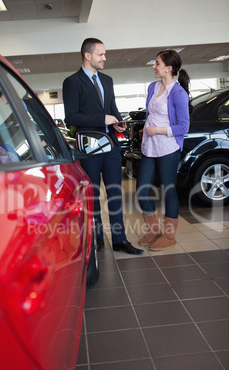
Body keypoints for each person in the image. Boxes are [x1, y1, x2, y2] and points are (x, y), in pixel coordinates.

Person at [62, 38, 143, 254]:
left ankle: (119, 240)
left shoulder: (107, 80)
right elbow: (70, 117)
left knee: (116, 193)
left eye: (105, 54)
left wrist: (118, 122)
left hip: (111, 147)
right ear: (87, 56)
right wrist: (102, 119)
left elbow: (113, 109)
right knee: (93, 194)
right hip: (89, 148)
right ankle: (96, 239)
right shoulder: (72, 82)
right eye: (101, 54)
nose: (104, 58)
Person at [136, 49, 192, 251]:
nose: (154, 66)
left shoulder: (178, 93)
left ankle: (169, 236)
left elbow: (183, 127)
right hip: (149, 146)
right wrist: (146, 128)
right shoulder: (152, 87)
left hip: (168, 147)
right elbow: (153, 114)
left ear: (168, 68)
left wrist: (157, 130)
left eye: (157, 63)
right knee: (142, 190)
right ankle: (153, 230)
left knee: (168, 191)